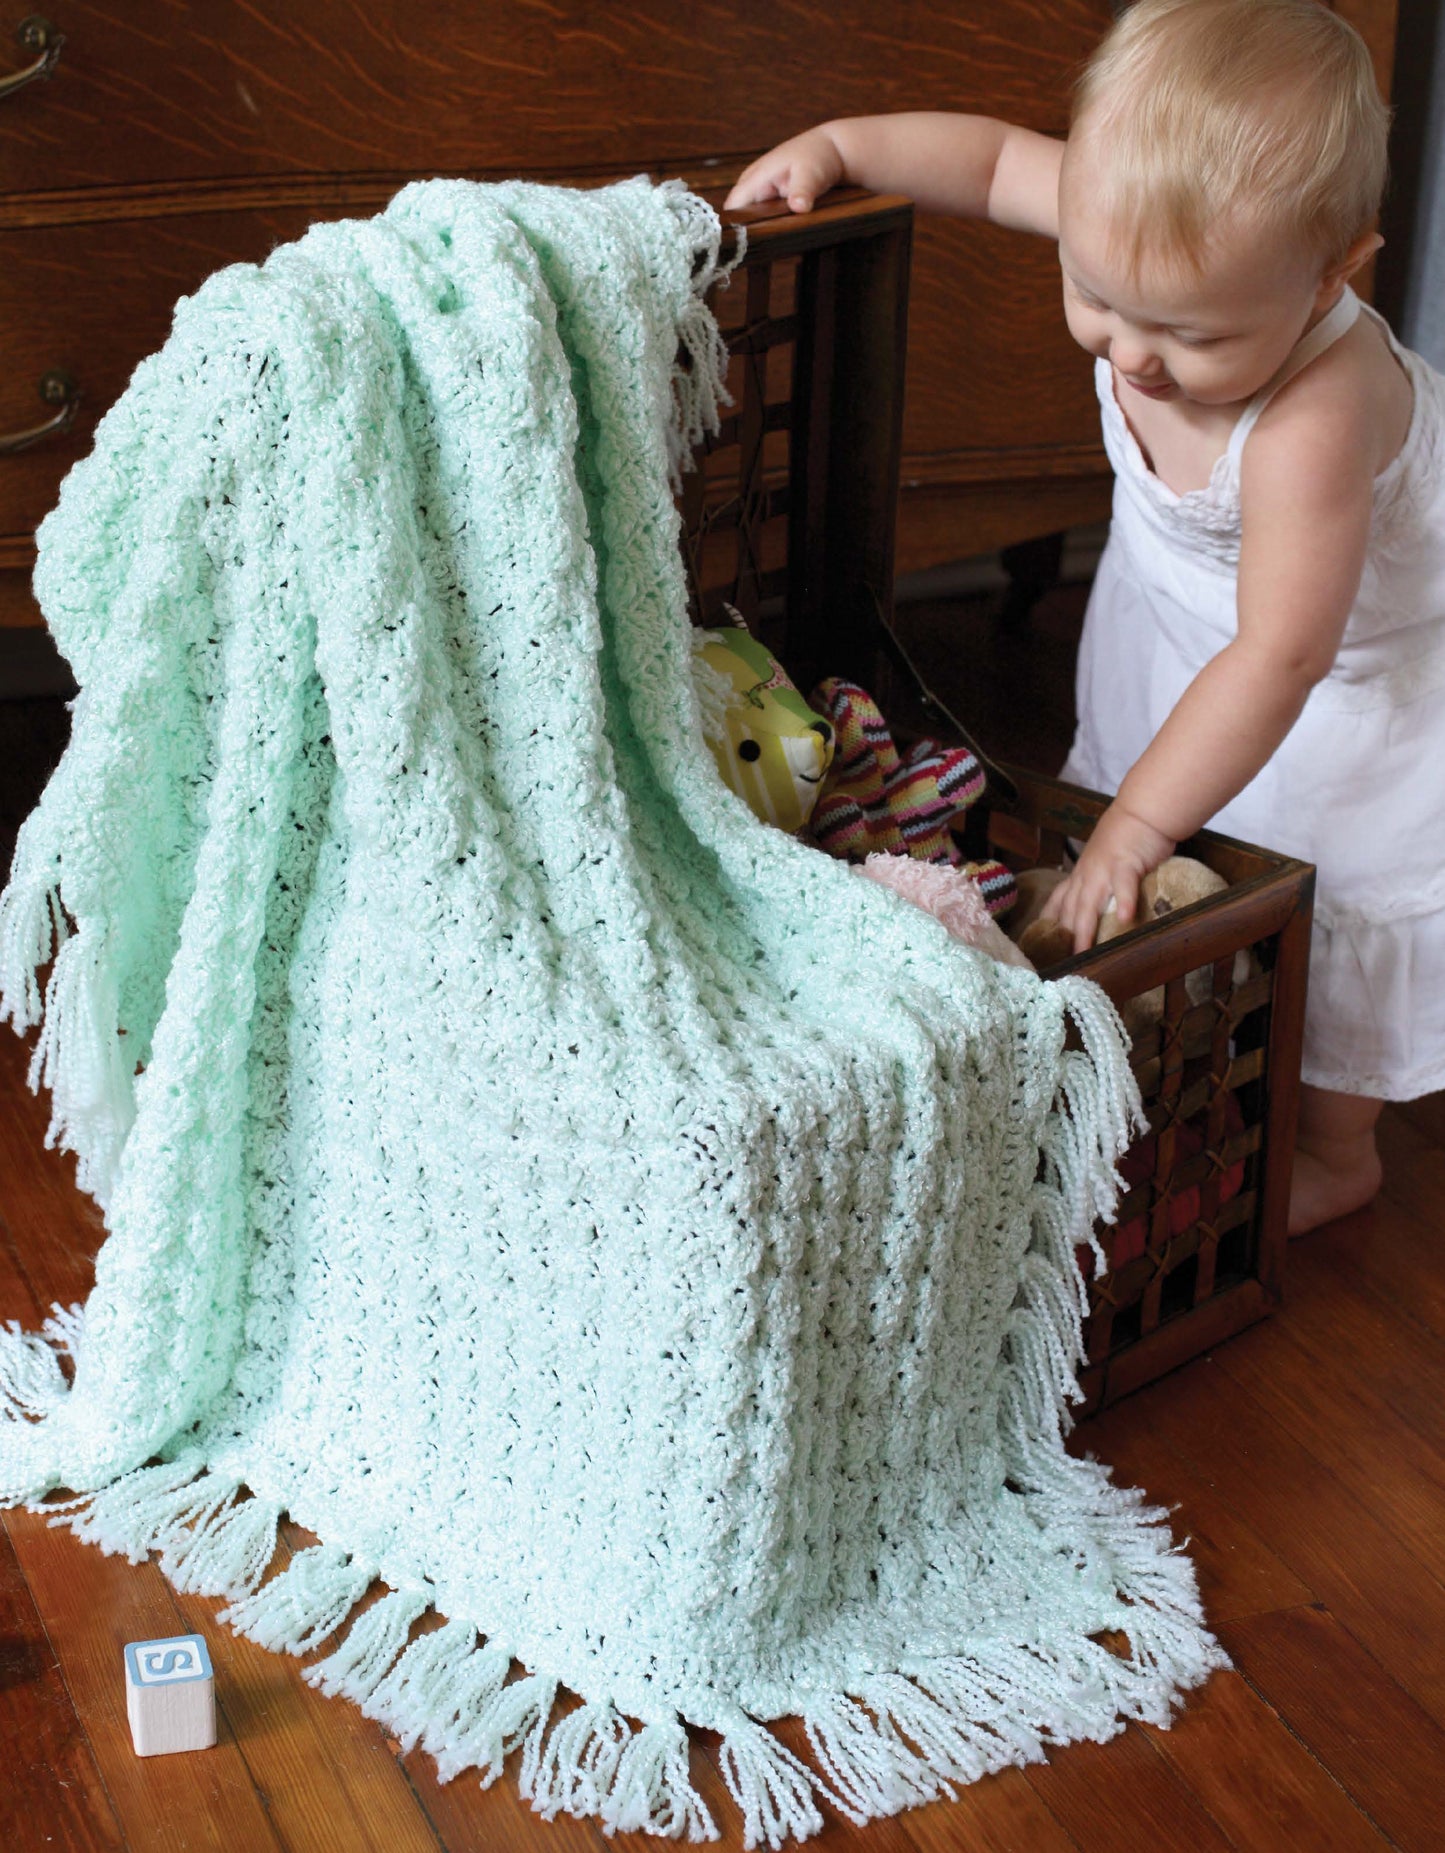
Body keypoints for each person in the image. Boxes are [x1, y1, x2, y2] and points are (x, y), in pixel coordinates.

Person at [724, 0, 1445, 1236]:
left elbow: (1282, 651)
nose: (1136, 358)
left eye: (1193, 334)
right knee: (1147, 835)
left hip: (1346, 678)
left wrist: (1135, 826)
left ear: (1335, 272)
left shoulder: (1319, 415)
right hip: (1179, 624)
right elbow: (995, 160)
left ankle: (1330, 1148)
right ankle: (1173, 1044)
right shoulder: (1139, 223)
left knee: (1339, 897)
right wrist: (841, 145)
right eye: (1098, 300)